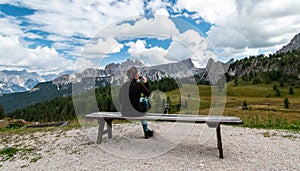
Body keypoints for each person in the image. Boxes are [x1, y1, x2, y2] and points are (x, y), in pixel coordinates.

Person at [119, 66, 154, 139]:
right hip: (135, 112)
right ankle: (146, 131)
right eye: (138, 73)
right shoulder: (138, 85)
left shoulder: (123, 86)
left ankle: (146, 130)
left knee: (139, 100)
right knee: (144, 100)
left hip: (124, 112)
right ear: (136, 76)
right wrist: (145, 82)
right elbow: (148, 94)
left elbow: (120, 99)